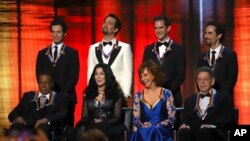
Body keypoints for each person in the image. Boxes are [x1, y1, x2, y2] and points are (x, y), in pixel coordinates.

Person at [36, 18, 79, 126]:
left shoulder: (72, 53)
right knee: (45, 129)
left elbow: (73, 77)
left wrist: (60, 95)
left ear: (64, 34)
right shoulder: (42, 54)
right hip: (46, 97)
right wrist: (49, 93)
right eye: (53, 32)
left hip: (66, 98)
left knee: (66, 130)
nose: (55, 35)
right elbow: (39, 76)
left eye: (58, 32)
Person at [177, 66, 234, 141]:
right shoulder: (189, 100)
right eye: (199, 79)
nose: (202, 82)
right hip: (194, 132)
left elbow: (227, 119)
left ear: (212, 81)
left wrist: (210, 125)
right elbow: (185, 119)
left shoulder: (224, 98)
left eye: (205, 79)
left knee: (203, 132)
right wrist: (184, 125)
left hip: (215, 132)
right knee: (183, 132)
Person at [87, 13, 133, 104]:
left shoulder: (125, 47)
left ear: (116, 29)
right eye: (104, 22)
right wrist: (90, 92)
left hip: (117, 94)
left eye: (110, 23)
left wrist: (126, 94)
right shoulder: (93, 48)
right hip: (98, 95)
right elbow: (90, 72)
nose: (105, 24)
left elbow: (128, 72)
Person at [7, 72, 67, 140]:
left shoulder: (59, 98)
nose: (43, 86)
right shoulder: (28, 96)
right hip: (25, 127)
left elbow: (63, 113)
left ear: (51, 84)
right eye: (41, 83)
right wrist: (17, 118)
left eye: (47, 83)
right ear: (38, 83)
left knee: (42, 129)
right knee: (15, 127)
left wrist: (46, 119)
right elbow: (12, 114)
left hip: (45, 128)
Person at [75, 63, 127, 141]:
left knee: (106, 130)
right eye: (96, 74)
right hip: (92, 124)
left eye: (102, 74)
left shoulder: (116, 93)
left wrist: (103, 122)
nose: (98, 77)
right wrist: (91, 123)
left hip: (111, 124)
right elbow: (84, 116)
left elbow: (117, 117)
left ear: (107, 75)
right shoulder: (88, 93)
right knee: (80, 129)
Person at [142, 15, 186, 107]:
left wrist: (165, 92)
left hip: (173, 97)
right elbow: (144, 73)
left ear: (168, 28)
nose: (158, 31)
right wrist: (154, 90)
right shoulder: (148, 49)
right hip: (152, 98)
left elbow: (180, 75)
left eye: (161, 27)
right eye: (156, 28)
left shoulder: (179, 49)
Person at [130, 60, 176, 141]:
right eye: (141, 76)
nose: (143, 79)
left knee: (155, 130)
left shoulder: (167, 93)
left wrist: (157, 125)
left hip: (162, 130)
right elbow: (135, 119)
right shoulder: (138, 96)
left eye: (145, 75)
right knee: (143, 132)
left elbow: (172, 117)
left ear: (153, 75)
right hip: (144, 130)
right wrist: (142, 125)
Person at [197, 21, 238, 102]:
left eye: (210, 33)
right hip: (205, 102)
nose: (206, 36)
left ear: (219, 35)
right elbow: (198, 79)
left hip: (224, 102)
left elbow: (231, 80)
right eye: (205, 33)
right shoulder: (202, 57)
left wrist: (219, 99)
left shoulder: (229, 55)